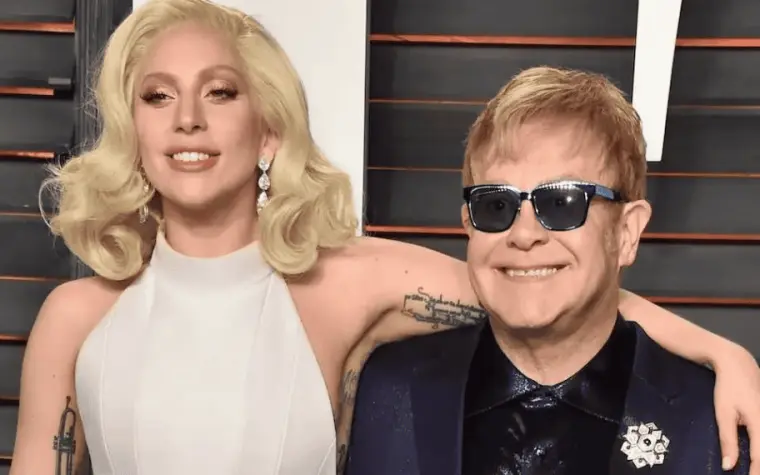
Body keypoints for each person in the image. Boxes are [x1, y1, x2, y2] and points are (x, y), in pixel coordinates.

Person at [6, 1, 760, 474]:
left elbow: (532, 284)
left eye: (221, 91)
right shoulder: (75, 319)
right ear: (133, 130)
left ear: (268, 132)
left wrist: (721, 353)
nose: (188, 120)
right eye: (157, 96)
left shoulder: (344, 284)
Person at [345, 67, 752, 475]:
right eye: (497, 205)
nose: (524, 234)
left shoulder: (721, 427)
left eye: (561, 203)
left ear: (626, 232)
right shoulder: (382, 393)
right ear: (469, 226)